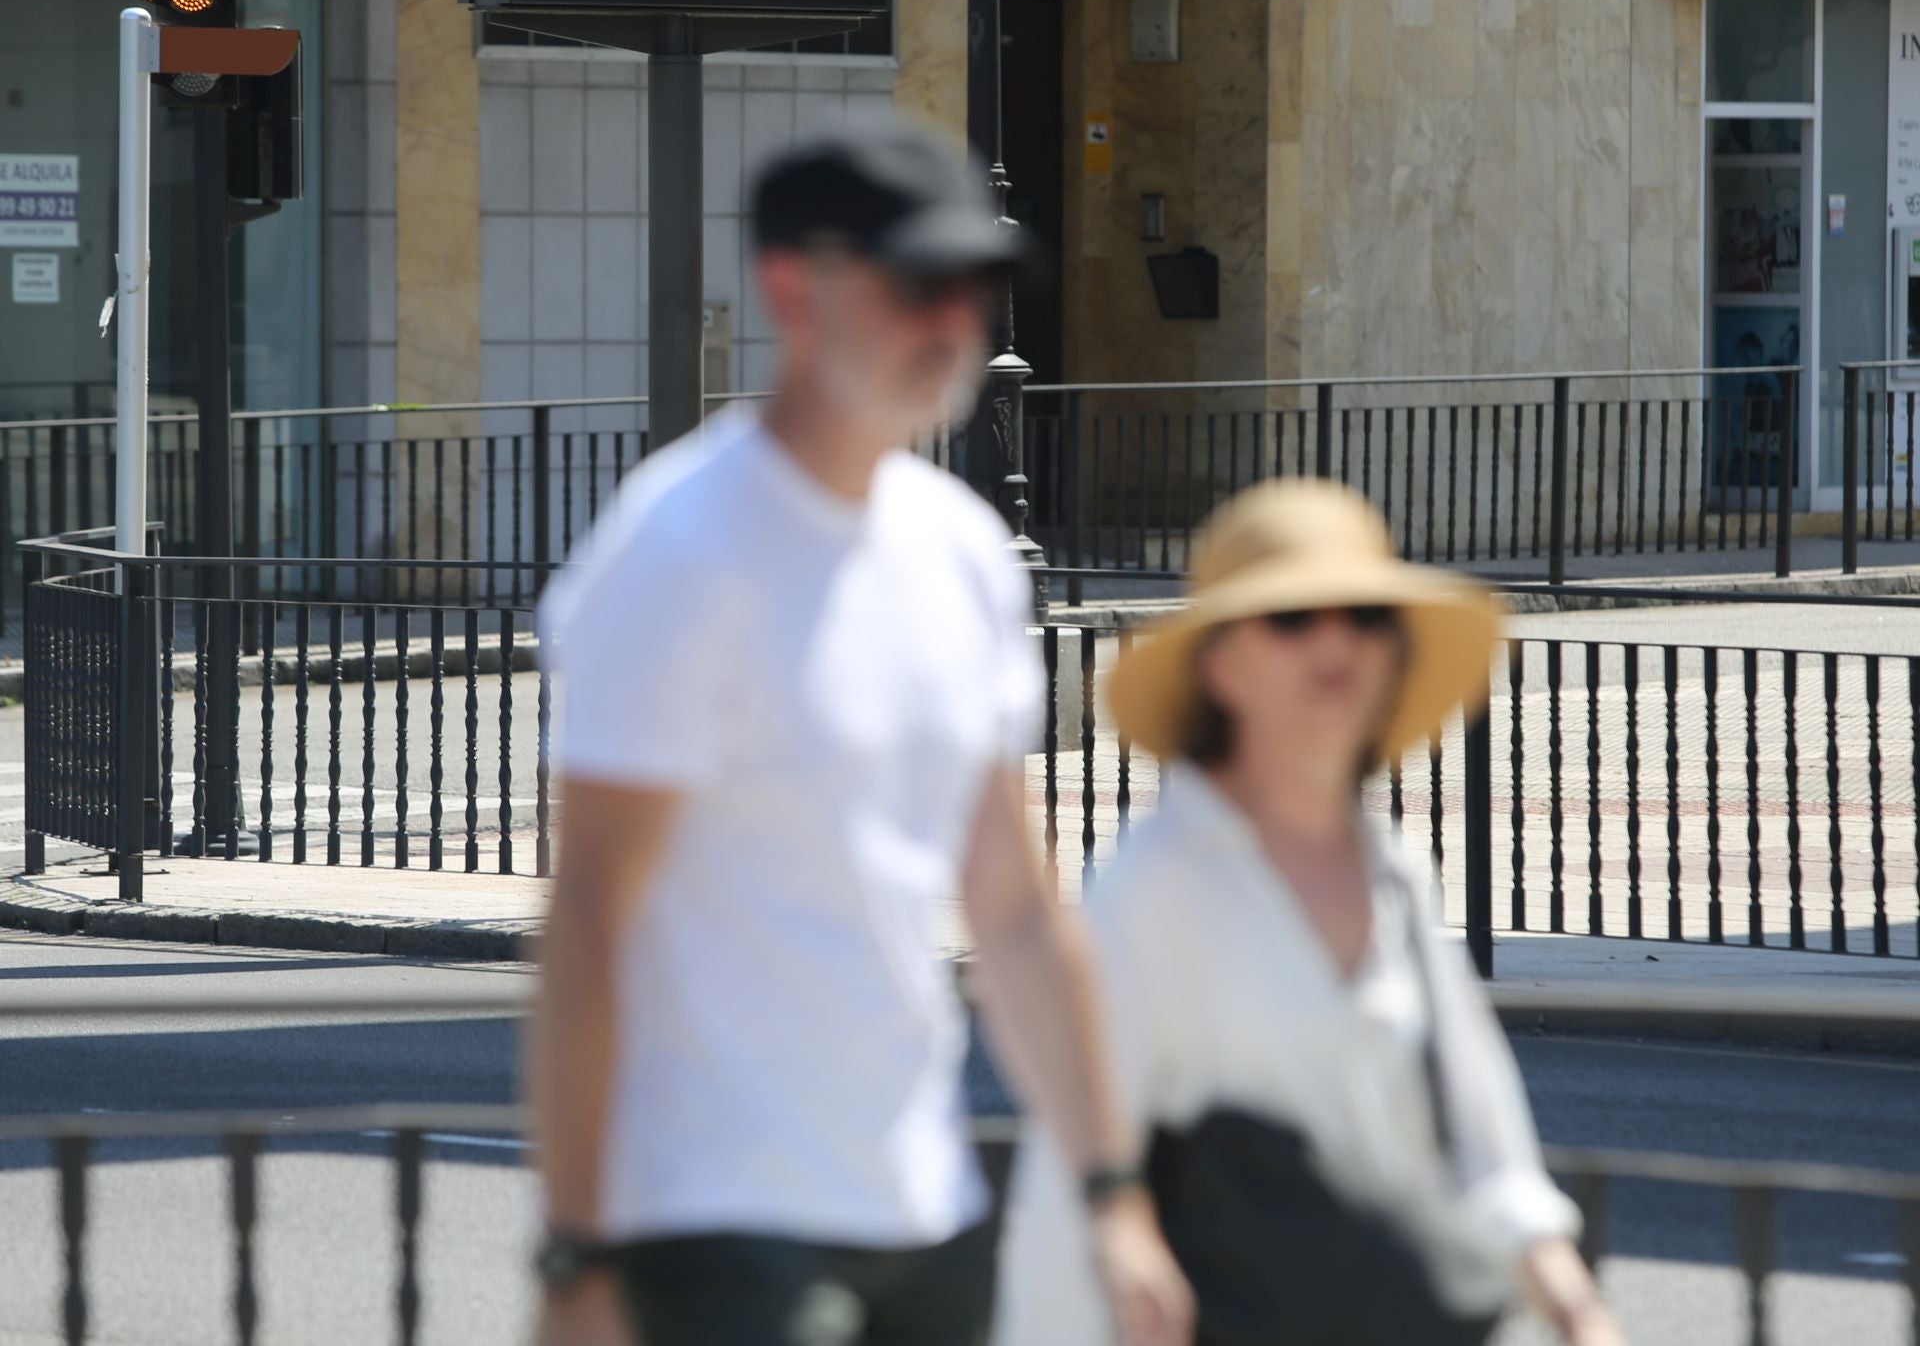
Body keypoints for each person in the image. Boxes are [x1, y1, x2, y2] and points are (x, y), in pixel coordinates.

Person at [528, 122, 1192, 1346]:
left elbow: (1015, 909)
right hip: (713, 1214)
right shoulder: (678, 553)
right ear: (793, 286)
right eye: (915, 284)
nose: (955, 323)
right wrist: (576, 1252)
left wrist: (1112, 1194)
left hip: (918, 1205)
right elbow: (589, 921)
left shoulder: (961, 553)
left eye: (973, 286)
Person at [994, 479, 1625, 1346]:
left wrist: (1575, 1305)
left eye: (1365, 614)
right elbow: (1082, 1178)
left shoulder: (1393, 870)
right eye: (1293, 618)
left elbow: (1478, 1125)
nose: (1337, 640)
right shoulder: (1159, 885)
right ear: (1219, 665)